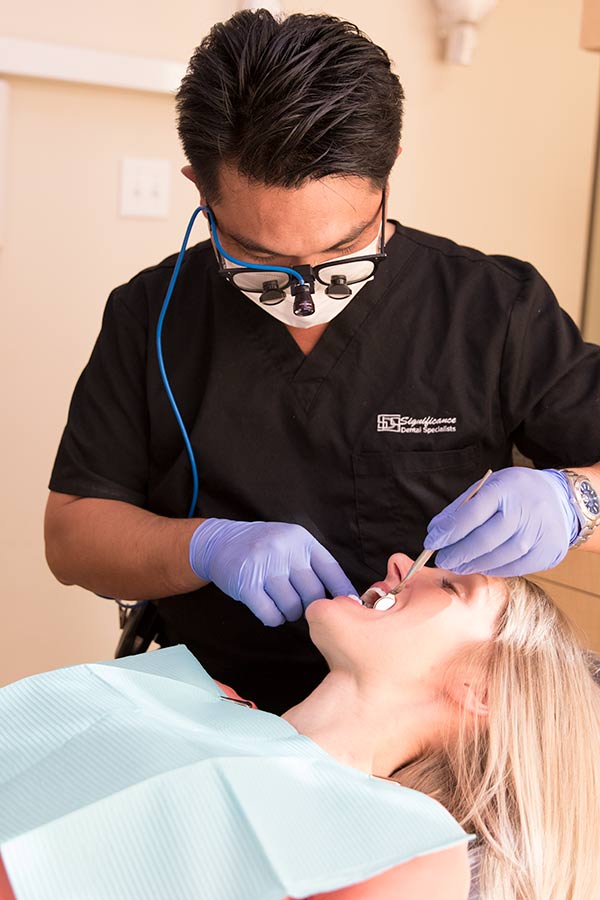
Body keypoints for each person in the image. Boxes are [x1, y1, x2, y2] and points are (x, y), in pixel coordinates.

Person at [44, 10, 600, 713]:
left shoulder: (492, 308)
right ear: (199, 188)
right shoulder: (150, 314)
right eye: (265, 261)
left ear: (388, 174)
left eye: (343, 253)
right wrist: (204, 546)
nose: (308, 294)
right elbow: (71, 536)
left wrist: (576, 504)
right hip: (211, 706)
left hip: (432, 726)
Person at [1, 560, 599, 900]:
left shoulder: (404, 856)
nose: (401, 563)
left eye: (450, 586)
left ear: (482, 690)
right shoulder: (193, 693)